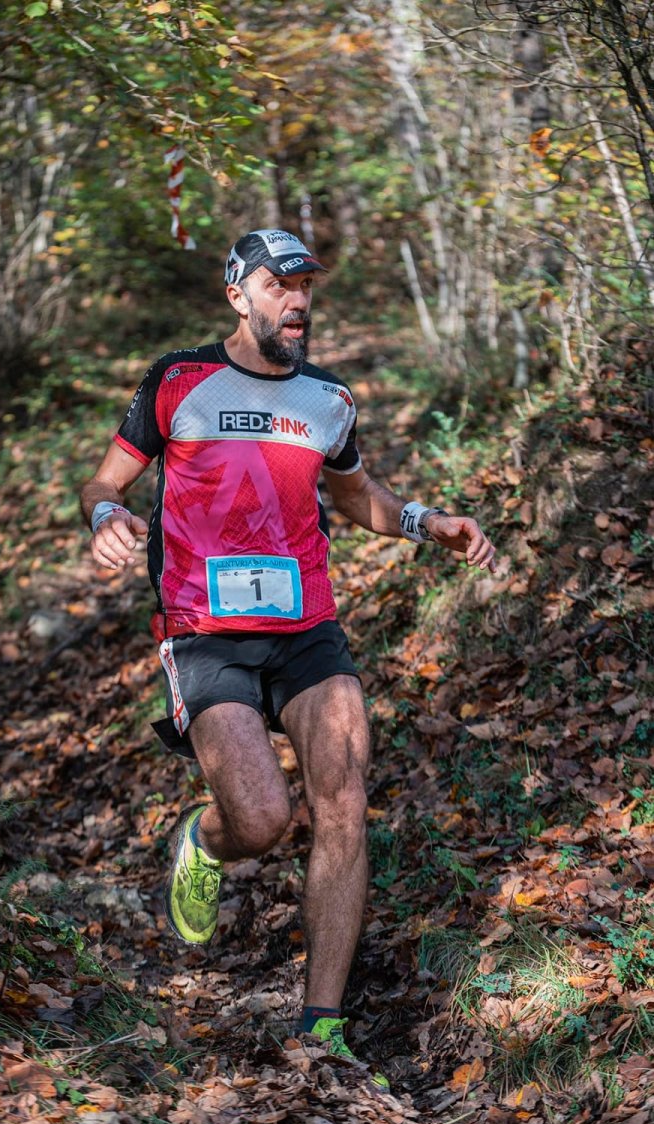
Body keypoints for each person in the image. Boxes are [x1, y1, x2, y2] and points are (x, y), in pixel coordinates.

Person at [80, 228, 497, 1079]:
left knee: (343, 797)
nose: (299, 301)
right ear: (238, 294)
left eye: (307, 286)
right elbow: (105, 481)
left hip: (307, 632)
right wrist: (105, 521)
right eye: (280, 285)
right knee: (264, 820)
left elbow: (356, 497)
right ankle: (204, 838)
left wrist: (426, 523)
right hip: (205, 634)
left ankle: (323, 1025)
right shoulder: (178, 382)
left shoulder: (328, 401)